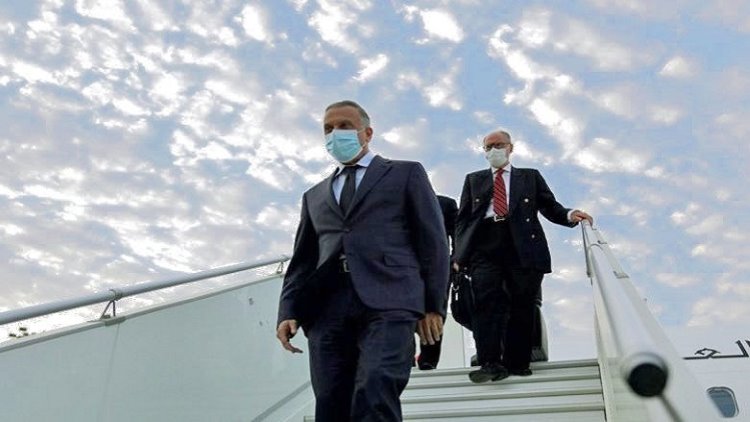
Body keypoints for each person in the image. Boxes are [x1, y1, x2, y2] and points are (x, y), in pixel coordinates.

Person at [276, 100, 450, 421]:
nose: (335, 133)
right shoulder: (314, 195)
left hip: (391, 300)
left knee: (376, 385)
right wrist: (288, 311)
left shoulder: (406, 173)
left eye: (344, 126)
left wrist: (433, 305)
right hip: (327, 307)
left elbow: (433, 242)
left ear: (367, 133)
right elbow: (302, 260)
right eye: (328, 128)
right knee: (330, 400)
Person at [453, 130, 592, 384]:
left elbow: (549, 205)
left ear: (510, 147)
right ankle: (489, 362)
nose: (493, 150)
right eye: (488, 147)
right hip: (485, 244)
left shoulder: (529, 176)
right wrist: (458, 255)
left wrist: (570, 215)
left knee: (522, 302)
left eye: (498, 145)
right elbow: (464, 219)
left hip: (523, 243)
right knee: (485, 302)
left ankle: (517, 362)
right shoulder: (473, 180)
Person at [416, 194, 457, 371]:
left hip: (438, 269)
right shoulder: (397, 204)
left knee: (435, 314)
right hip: (405, 268)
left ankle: (429, 360)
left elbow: (457, 233)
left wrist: (456, 259)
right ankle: (406, 358)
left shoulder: (445, 204)